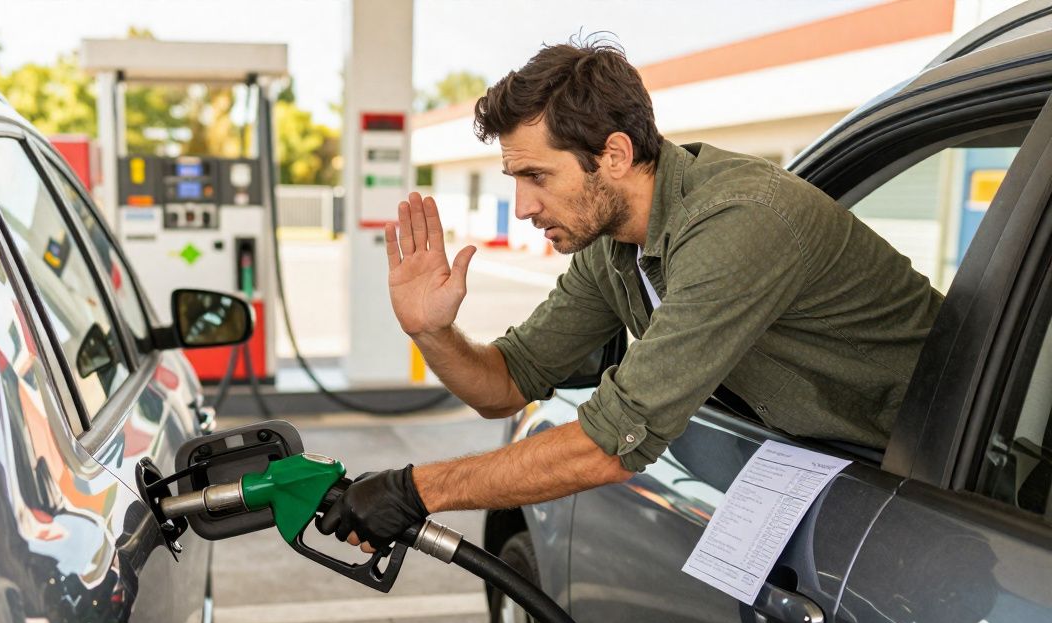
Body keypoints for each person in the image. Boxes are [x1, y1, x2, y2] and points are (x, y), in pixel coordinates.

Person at [318, 38, 942, 552]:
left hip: (961, 479)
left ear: (613, 154)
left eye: (537, 176)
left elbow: (608, 444)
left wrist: (414, 490)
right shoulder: (611, 247)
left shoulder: (741, 221)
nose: (524, 207)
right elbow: (507, 382)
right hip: (858, 478)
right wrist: (431, 331)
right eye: (515, 179)